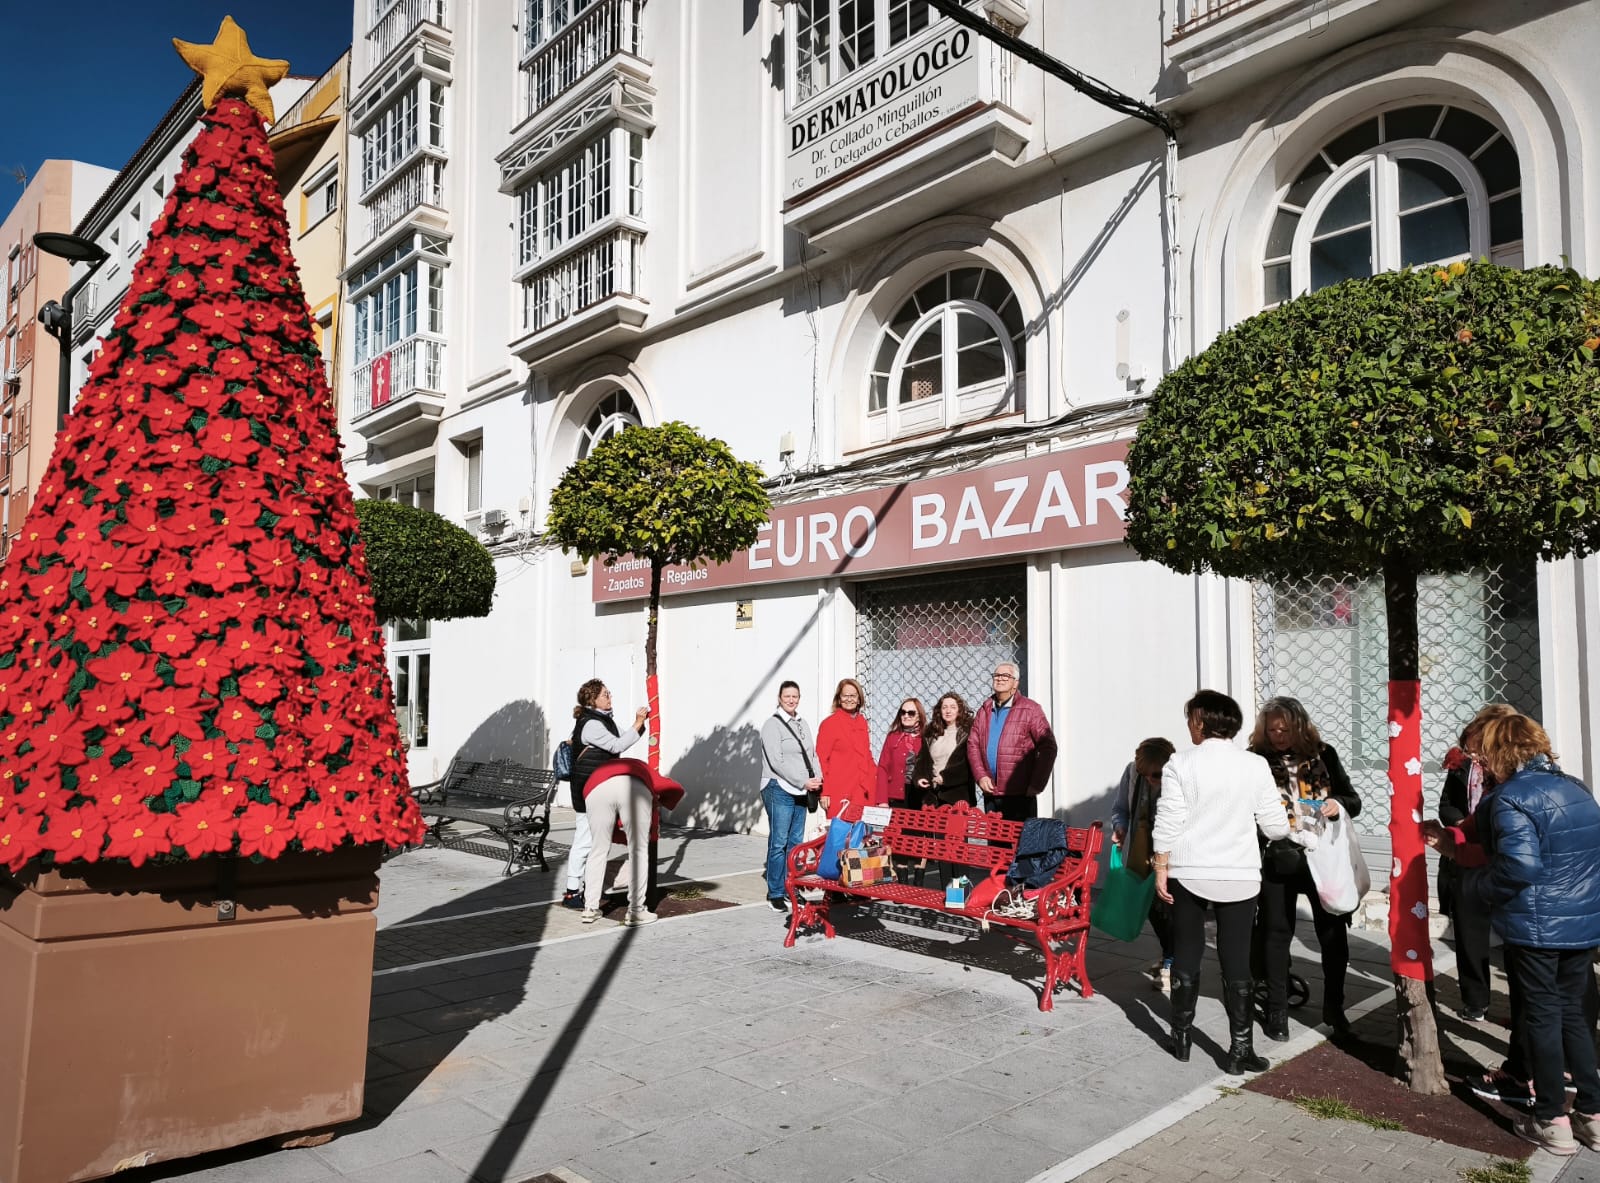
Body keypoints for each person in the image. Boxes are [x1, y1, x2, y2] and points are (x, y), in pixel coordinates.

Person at [1468, 714, 1600, 1156]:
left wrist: (1478, 887)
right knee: (1575, 1018)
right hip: (1581, 923)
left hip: (1537, 926)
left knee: (1542, 1018)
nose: (1480, 764)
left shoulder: (1511, 797)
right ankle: (1593, 1114)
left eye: (1482, 755)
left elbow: (1520, 865)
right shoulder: (1576, 788)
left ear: (1498, 752)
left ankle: (1550, 1118)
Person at [1152, 690, 1289, 1073]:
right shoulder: (1255, 765)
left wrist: (1160, 866)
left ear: (1200, 720)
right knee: (1236, 960)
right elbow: (1275, 827)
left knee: (1187, 952)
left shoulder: (1180, 763)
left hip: (1189, 871)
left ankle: (1181, 1038)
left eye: (1190, 719)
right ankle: (1239, 1049)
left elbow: (1168, 820)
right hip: (1240, 874)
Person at [1247, 696, 1362, 1039]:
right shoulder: (1254, 760)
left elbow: (1352, 801)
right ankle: (1277, 1011)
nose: (1279, 735)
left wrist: (1336, 804)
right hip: (1277, 856)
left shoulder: (1323, 754)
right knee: (1276, 933)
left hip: (1322, 856)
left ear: (1299, 726)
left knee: (1333, 933)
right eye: (1272, 729)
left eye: (1284, 728)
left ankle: (1334, 1008)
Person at [1436, 704, 1519, 1022]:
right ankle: (1475, 999)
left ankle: (1518, 1003)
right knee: (1469, 932)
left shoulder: (1513, 769)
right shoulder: (1461, 764)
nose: (1474, 752)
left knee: (1513, 937)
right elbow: (1446, 805)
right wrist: (1462, 826)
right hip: (1467, 852)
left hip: (1500, 855)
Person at [566, 679, 650, 924]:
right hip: (592, 788)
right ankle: (575, 892)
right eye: (605, 694)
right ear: (593, 699)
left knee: (593, 844)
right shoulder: (592, 723)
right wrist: (638, 723)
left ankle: (588, 903)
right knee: (589, 843)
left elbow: (620, 740)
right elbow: (616, 745)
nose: (610, 696)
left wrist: (639, 724)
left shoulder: (600, 720)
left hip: (594, 788)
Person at [1109, 737, 1177, 991]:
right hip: (1140, 850)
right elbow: (1120, 808)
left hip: (1171, 854)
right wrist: (1120, 827)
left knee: (1168, 908)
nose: (1149, 779)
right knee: (1148, 906)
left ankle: (1172, 960)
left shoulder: (1179, 775)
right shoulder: (1132, 773)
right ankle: (1170, 954)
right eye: (1144, 774)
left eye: (1156, 775)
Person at [966, 661, 1058, 821]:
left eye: (1005, 676)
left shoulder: (1030, 709)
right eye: (997, 675)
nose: (1000, 679)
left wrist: (1037, 783)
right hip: (991, 792)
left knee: (1020, 843)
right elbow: (972, 744)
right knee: (994, 843)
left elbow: (1048, 747)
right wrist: (980, 776)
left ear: (1015, 683)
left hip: (1020, 793)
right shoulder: (985, 709)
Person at [760, 681, 822, 913]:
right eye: (787, 696)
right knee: (779, 842)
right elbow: (777, 762)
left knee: (795, 843)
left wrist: (817, 778)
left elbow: (811, 754)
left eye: (795, 696)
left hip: (802, 789)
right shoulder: (771, 725)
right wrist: (802, 780)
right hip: (779, 788)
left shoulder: (802, 723)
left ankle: (790, 887)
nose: (791, 699)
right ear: (779, 697)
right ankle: (775, 892)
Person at [817, 678, 874, 822]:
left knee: (861, 838)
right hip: (839, 790)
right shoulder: (830, 724)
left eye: (853, 695)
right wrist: (825, 792)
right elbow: (821, 760)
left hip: (862, 790)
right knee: (839, 837)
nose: (849, 699)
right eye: (845, 695)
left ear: (859, 699)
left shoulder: (862, 722)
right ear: (839, 698)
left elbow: (867, 755)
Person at [912, 692, 976, 807]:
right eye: (944, 707)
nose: (948, 711)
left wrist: (945, 778)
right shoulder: (930, 733)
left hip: (956, 797)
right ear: (939, 711)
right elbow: (922, 760)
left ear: (959, 710)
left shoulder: (968, 733)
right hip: (932, 796)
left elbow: (967, 765)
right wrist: (920, 777)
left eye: (953, 707)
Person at [875, 698, 926, 808]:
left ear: (919, 716)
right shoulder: (893, 737)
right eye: (903, 712)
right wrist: (882, 800)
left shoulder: (925, 738)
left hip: (918, 796)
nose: (906, 716)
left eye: (911, 713)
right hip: (895, 796)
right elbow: (883, 768)